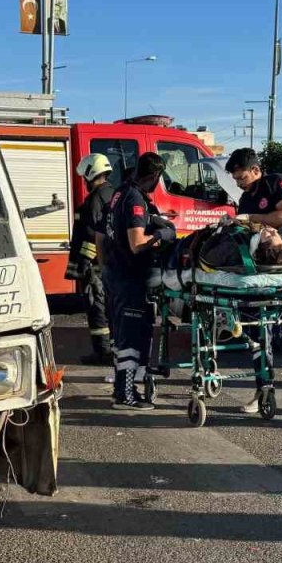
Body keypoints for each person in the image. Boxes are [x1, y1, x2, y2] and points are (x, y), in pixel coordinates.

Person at [224, 148, 282, 416]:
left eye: (242, 178)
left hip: (279, 272)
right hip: (255, 274)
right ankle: (263, 391)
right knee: (259, 338)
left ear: (256, 170)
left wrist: (252, 219)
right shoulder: (245, 198)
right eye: (237, 180)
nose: (240, 183)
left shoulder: (277, 182)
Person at [104, 152, 176, 411]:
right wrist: (161, 234)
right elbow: (136, 244)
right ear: (155, 176)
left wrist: (153, 218)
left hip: (115, 275)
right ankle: (125, 396)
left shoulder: (120, 193)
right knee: (132, 338)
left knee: (123, 337)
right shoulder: (135, 199)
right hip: (130, 277)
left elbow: (106, 234)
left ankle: (123, 391)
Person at [66, 154, 117, 366]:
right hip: (111, 263)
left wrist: (85, 263)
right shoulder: (114, 193)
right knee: (111, 308)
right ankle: (113, 350)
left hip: (96, 264)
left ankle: (103, 352)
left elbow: (92, 234)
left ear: (90, 173)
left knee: (97, 307)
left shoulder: (95, 199)